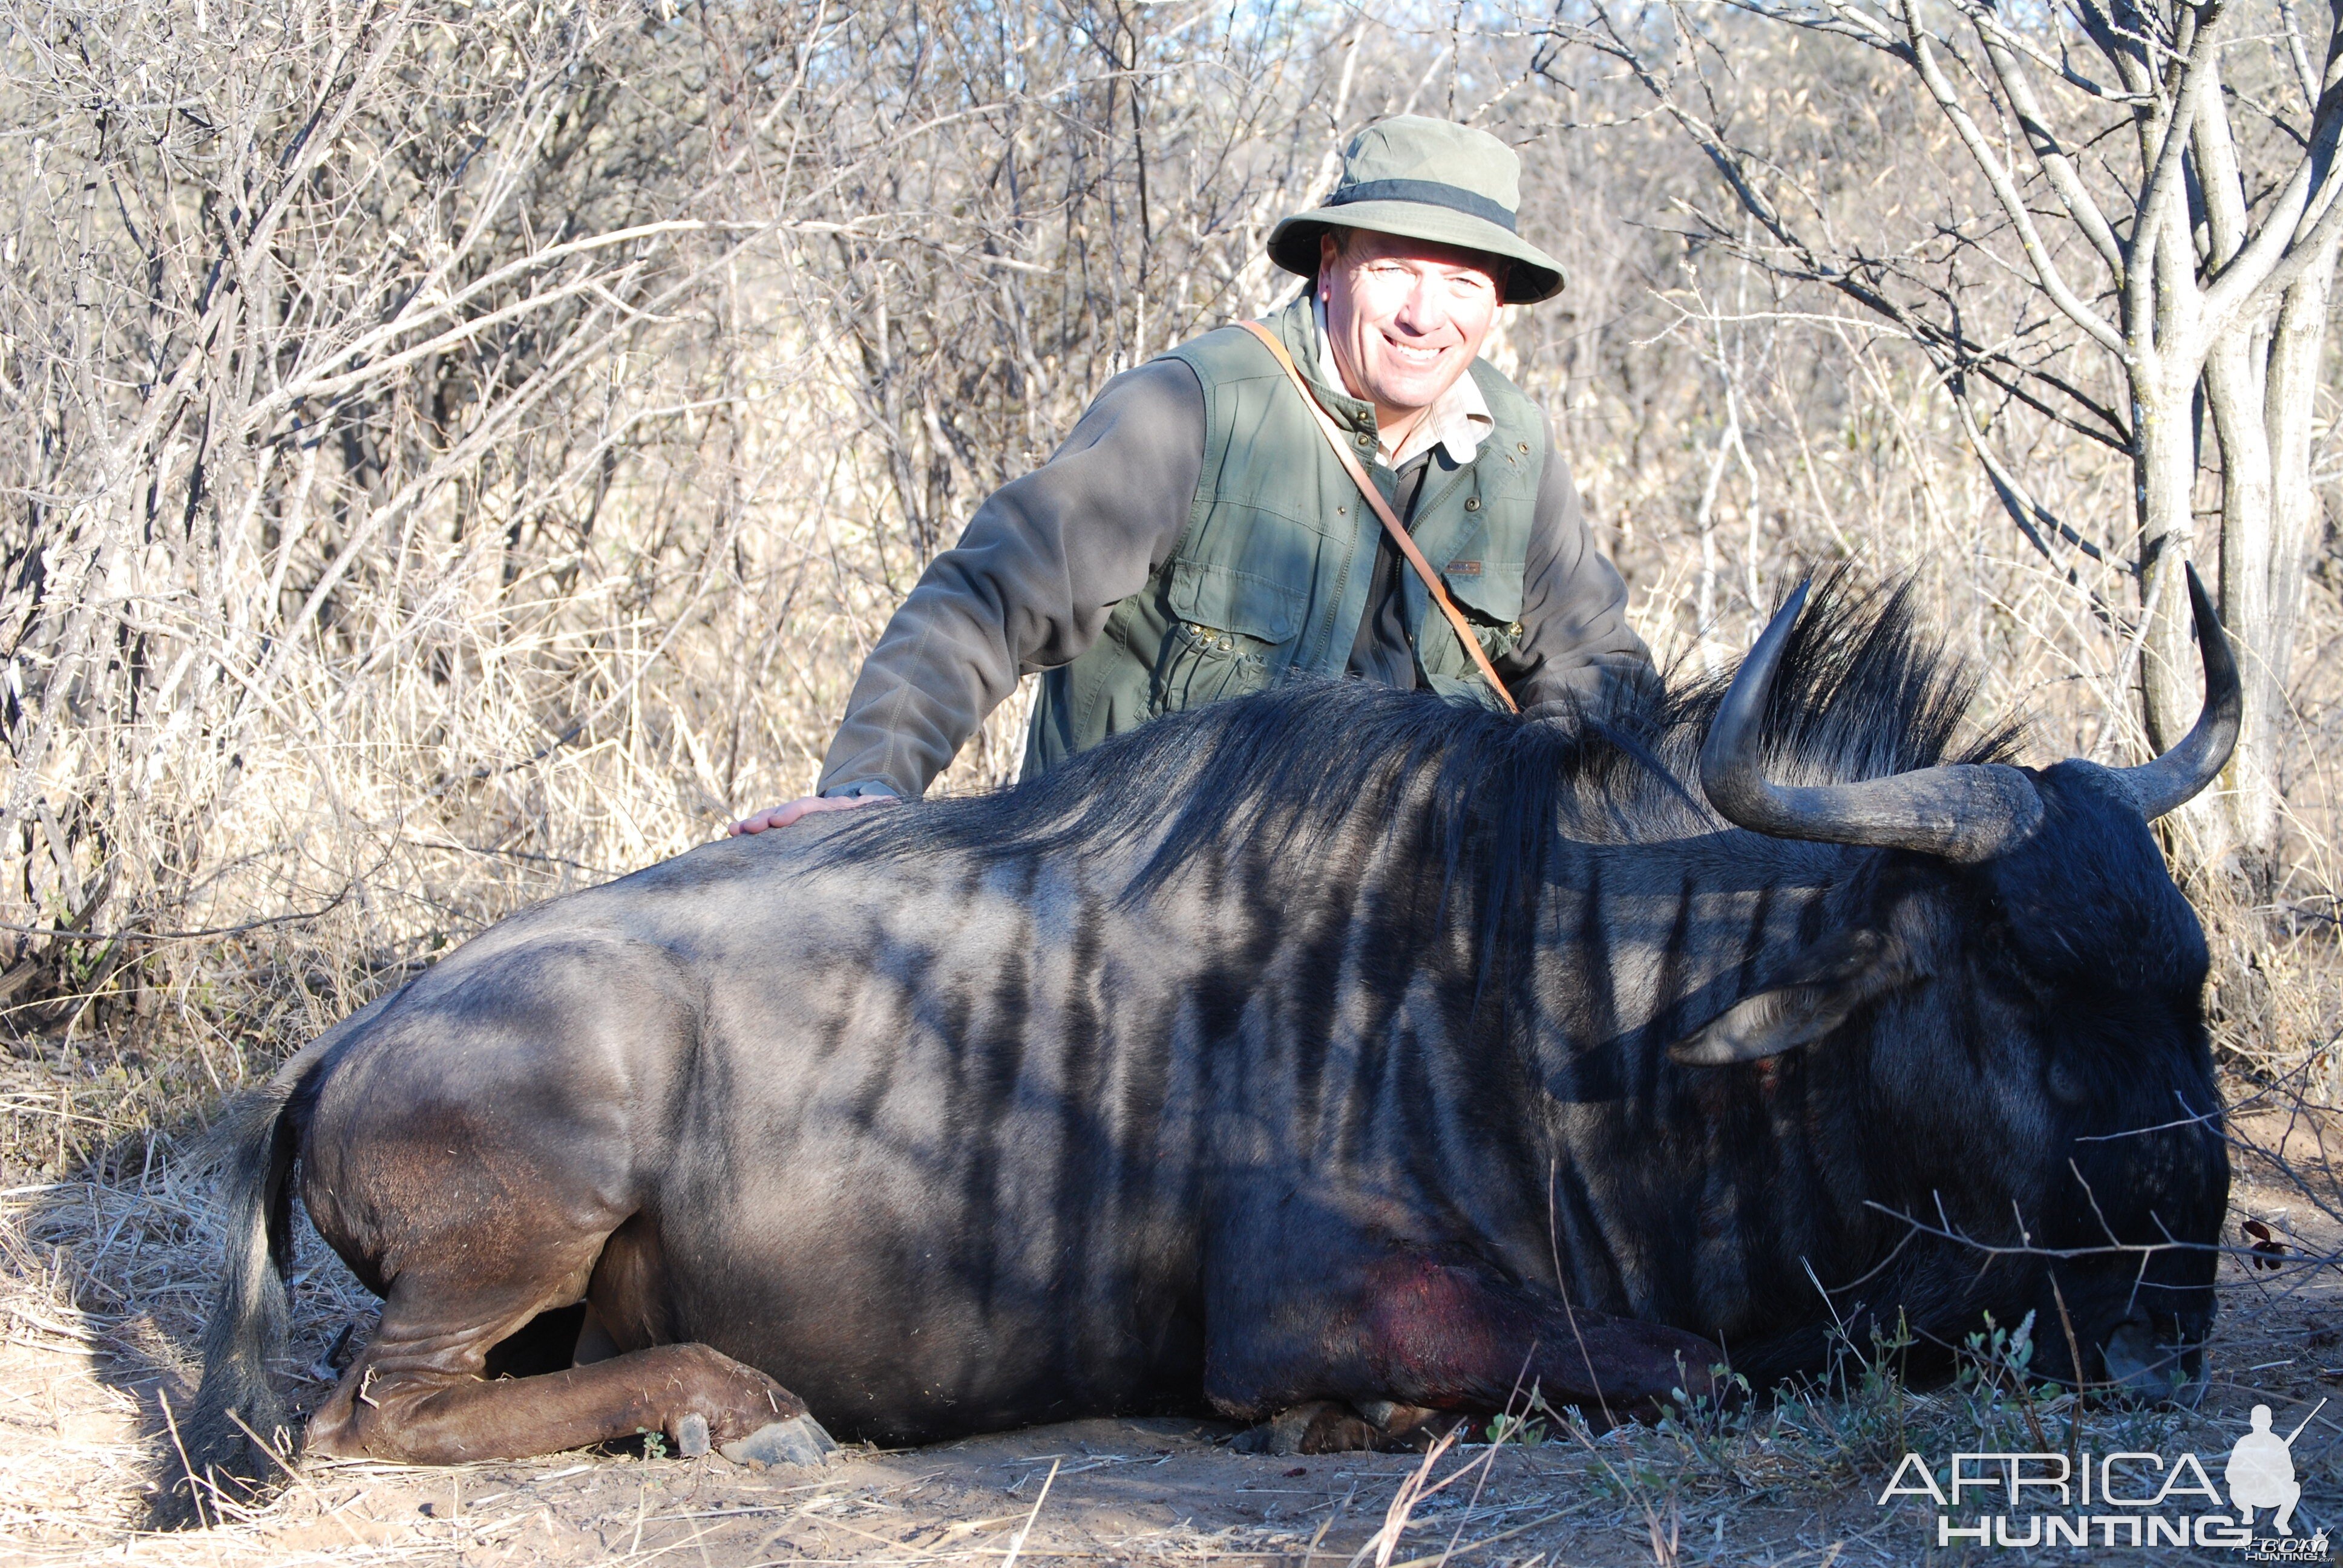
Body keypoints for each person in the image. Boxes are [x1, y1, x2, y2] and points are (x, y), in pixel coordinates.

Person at [733, 116, 1653, 835]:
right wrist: (869, 790)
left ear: (1497, 300)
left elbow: (1596, 667)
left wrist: (1584, 820)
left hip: (1389, 932)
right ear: (1329, 268)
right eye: (1398, 269)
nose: (1426, 314)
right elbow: (988, 595)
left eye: (1461, 283)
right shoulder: (1192, 407)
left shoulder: (1517, 447)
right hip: (1131, 907)